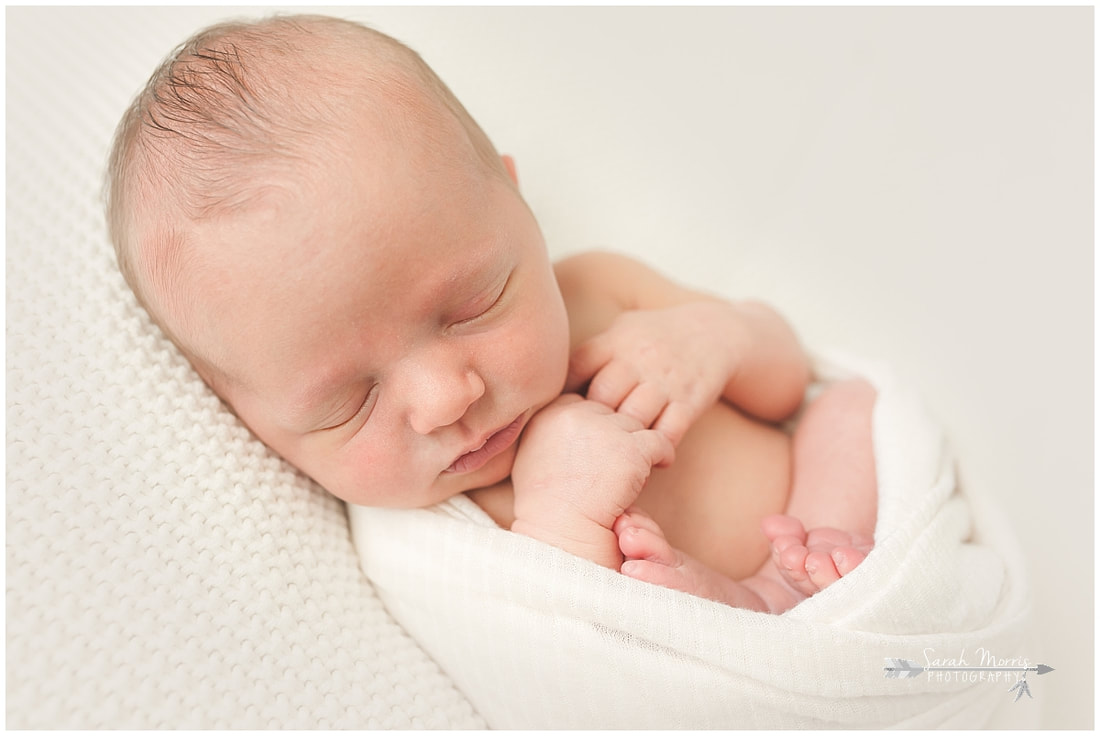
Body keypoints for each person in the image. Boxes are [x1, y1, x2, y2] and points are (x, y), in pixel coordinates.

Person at [105, 13, 877, 613]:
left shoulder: (601, 293)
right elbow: (563, 665)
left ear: (515, 199)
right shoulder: (425, 539)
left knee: (853, 409)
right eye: (351, 400)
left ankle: (803, 579)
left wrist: (718, 337)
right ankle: (762, 603)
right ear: (246, 417)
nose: (448, 399)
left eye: (471, 306)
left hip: (840, 521)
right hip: (727, 641)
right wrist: (563, 512)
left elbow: (786, 381)